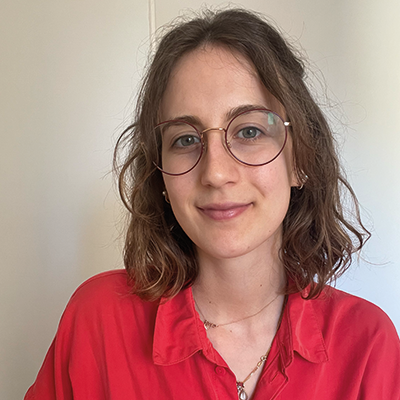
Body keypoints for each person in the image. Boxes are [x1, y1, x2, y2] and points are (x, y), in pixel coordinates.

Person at [25, 8, 400, 400]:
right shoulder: (99, 320)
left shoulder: (367, 344)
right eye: (186, 139)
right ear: (161, 176)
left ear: (300, 159)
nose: (216, 173)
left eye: (250, 131)